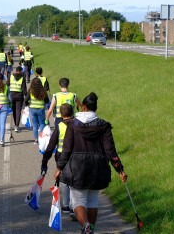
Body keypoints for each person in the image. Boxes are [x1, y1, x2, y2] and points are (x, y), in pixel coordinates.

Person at [54, 92, 128, 234]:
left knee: (77, 201)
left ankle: (86, 226)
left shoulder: (73, 125)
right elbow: (110, 150)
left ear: (84, 107)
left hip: (77, 167)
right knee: (93, 200)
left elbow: (67, 149)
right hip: (98, 167)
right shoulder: (104, 126)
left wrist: (59, 167)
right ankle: (91, 229)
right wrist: (120, 169)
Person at [41, 103, 76, 219]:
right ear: (72, 113)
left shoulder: (60, 126)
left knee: (64, 180)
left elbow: (50, 147)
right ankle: (73, 206)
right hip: (75, 155)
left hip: (61, 156)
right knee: (74, 181)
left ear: (61, 114)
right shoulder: (77, 125)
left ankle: (65, 206)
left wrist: (44, 161)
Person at [24, 78, 49, 144]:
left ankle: (36, 139)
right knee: (42, 124)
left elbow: (26, 100)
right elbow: (47, 101)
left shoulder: (31, 91)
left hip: (32, 109)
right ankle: (41, 138)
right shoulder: (43, 91)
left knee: (35, 125)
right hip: (40, 109)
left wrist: (27, 104)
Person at [7, 66, 27, 132]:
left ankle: (15, 123)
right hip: (19, 96)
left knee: (14, 111)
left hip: (12, 96)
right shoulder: (22, 78)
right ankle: (16, 126)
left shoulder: (11, 76)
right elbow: (24, 89)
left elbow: (7, 84)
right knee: (18, 111)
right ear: (21, 71)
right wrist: (27, 97)